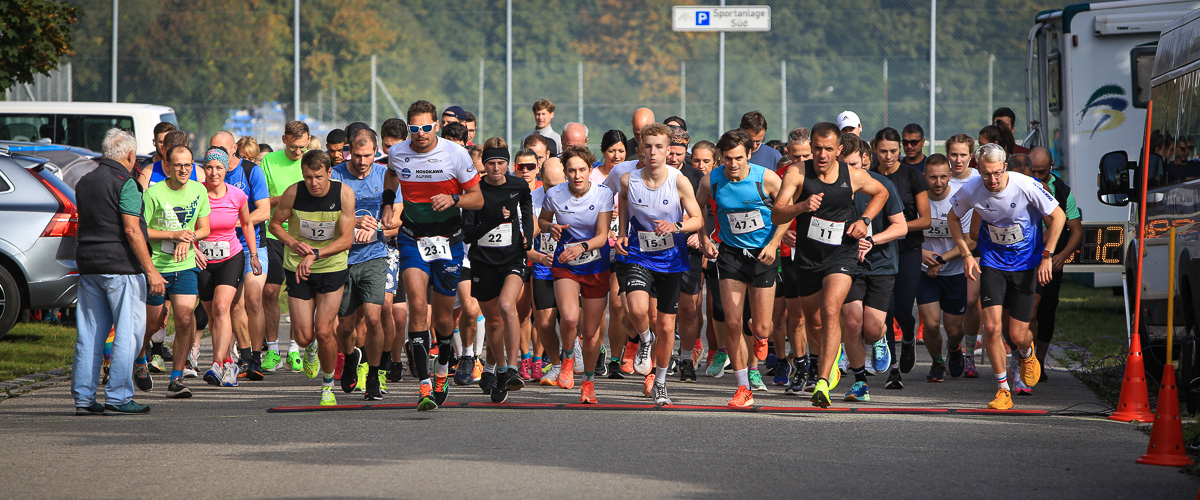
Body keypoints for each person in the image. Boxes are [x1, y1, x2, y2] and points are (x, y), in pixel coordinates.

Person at [773, 121, 888, 408]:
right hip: (809, 257)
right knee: (814, 322)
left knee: (831, 309)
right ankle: (830, 364)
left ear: (838, 149)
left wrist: (864, 220)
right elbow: (777, 214)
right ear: (810, 148)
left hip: (842, 254)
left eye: (827, 149)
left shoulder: (853, 174)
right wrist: (801, 207)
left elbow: (881, 192)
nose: (822, 155)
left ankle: (822, 382)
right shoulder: (797, 173)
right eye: (816, 149)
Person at [382, 100, 483, 411]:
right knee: (416, 305)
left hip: (448, 241)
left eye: (426, 128)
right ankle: (424, 385)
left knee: (441, 319)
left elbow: (477, 199)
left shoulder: (456, 154)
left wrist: (453, 199)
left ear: (436, 126)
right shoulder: (399, 152)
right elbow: (391, 175)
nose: (420, 134)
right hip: (412, 237)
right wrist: (387, 204)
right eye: (414, 129)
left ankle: (442, 371)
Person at [947, 143, 1065, 409]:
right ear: (978, 169)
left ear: (1005, 168)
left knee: (1018, 333)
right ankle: (1003, 390)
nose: (992, 180)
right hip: (992, 262)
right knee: (992, 327)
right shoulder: (972, 188)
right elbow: (953, 218)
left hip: (1025, 265)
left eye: (997, 173)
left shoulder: (1026, 185)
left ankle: (1027, 352)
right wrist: (966, 254)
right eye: (987, 174)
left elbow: (1058, 217)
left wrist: (1047, 255)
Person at [72, 128, 162, 415]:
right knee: (128, 333)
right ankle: (119, 397)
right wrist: (152, 271)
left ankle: (84, 399)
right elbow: (132, 230)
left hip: (89, 264)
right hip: (121, 267)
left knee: (89, 334)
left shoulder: (85, 181)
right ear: (130, 154)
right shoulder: (127, 183)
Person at [697, 129, 788, 407]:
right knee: (733, 321)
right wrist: (703, 237)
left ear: (749, 154)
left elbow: (787, 212)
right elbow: (696, 208)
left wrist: (773, 244)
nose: (733, 164)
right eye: (727, 159)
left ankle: (760, 339)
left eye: (738, 158)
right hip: (731, 255)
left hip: (762, 256)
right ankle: (742, 387)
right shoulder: (710, 181)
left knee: (761, 327)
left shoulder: (767, 179)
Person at [616, 124, 704, 405]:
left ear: (669, 150)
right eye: (648, 146)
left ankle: (662, 382)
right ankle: (644, 339)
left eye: (659, 147)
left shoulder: (678, 181)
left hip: (671, 260)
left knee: (667, 328)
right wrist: (620, 234)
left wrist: (676, 226)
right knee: (637, 309)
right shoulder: (628, 180)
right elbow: (624, 204)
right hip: (639, 254)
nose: (653, 152)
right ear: (641, 148)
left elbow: (698, 219)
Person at [269, 150, 356, 406]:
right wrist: (293, 243)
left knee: (325, 330)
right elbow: (275, 224)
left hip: (331, 266)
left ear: (330, 172)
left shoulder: (344, 194)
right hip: (298, 268)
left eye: (318, 177)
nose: (313, 183)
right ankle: (310, 349)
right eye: (308, 177)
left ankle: (328, 385)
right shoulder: (293, 193)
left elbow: (346, 240)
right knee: (305, 336)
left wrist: (316, 254)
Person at [540, 146, 615, 403]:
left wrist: (581, 247)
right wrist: (551, 227)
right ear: (565, 172)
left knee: (593, 333)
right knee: (570, 318)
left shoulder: (603, 194)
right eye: (571, 170)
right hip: (566, 265)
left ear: (590, 170)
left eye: (582, 170)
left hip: (595, 266)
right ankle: (569, 357)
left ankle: (589, 382)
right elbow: (542, 221)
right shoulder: (554, 194)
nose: (577, 175)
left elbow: (603, 236)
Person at [838, 135, 906, 402]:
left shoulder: (883, 185)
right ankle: (859, 382)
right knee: (852, 323)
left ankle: (879, 339)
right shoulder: (834, 186)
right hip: (846, 263)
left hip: (881, 264)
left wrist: (871, 239)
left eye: (854, 164)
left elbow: (900, 227)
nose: (849, 172)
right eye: (843, 165)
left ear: (865, 160)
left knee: (871, 327)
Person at [465, 145, 533, 403]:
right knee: (493, 322)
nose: (496, 168)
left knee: (507, 304)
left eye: (501, 163)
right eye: (491, 163)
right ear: (484, 165)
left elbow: (526, 203)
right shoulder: (475, 191)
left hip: (513, 258)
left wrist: (527, 232)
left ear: (507, 165)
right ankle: (501, 371)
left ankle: (514, 368)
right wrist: (495, 220)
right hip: (483, 261)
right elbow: (468, 233)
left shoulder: (517, 186)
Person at [142, 145, 211, 399]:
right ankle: (140, 359)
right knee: (152, 323)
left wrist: (188, 238)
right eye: (178, 165)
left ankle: (176, 378)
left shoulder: (199, 190)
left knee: (184, 320)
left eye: (188, 165)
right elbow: (142, 231)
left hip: (185, 267)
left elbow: (205, 228)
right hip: (157, 268)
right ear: (168, 166)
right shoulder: (153, 194)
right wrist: (173, 234)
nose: (184, 169)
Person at [330, 127, 392, 400]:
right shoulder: (336, 176)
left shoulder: (385, 175)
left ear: (376, 153)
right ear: (348, 152)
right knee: (346, 327)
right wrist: (352, 222)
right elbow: (323, 217)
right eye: (357, 155)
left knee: (374, 317)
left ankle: (374, 377)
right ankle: (350, 356)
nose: (362, 161)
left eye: (368, 155)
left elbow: (399, 218)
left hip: (374, 256)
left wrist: (377, 229)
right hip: (342, 258)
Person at [196, 146, 261, 387]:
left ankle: (215, 364)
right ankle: (227, 364)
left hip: (231, 257)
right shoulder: (196, 193)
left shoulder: (236, 195)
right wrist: (193, 249)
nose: (214, 173)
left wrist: (253, 255)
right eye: (210, 167)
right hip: (203, 260)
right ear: (204, 169)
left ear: (226, 170)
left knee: (223, 308)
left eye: (219, 168)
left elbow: (246, 224)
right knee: (214, 315)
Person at [872, 127, 931, 389]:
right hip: (879, 250)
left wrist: (899, 226)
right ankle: (892, 368)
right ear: (875, 149)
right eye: (883, 151)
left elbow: (926, 219)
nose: (888, 156)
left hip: (908, 249)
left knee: (904, 311)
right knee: (886, 309)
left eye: (893, 151)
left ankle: (909, 337)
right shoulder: (869, 175)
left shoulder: (912, 175)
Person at [209, 131, 270, 381]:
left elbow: (264, 210)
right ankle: (244, 356)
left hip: (251, 244)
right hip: (222, 247)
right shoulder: (209, 175)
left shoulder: (250, 171)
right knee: (232, 304)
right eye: (213, 149)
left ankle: (256, 357)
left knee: (253, 299)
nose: (217, 156)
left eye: (222, 150)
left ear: (234, 148)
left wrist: (234, 222)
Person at [1027, 147, 1083, 380]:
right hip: (1024, 258)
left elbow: (1076, 231)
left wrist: (1062, 256)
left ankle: (1039, 359)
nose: (1037, 177)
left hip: (1051, 260)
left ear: (1051, 168)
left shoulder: (1062, 191)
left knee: (1047, 311)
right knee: (1027, 311)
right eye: (1033, 171)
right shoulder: (1020, 183)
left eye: (1041, 172)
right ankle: (1026, 360)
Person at [260, 121, 312, 373]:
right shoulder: (269, 161)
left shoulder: (312, 161)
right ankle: (272, 350)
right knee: (270, 292)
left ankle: (294, 349)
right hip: (274, 232)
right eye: (293, 147)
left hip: (302, 235)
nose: (298, 152)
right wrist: (284, 199)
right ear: (284, 139)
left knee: (297, 293)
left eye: (302, 147)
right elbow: (261, 200)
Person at [917, 154, 972, 382]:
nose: (938, 182)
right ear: (924, 177)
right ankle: (937, 362)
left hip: (954, 271)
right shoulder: (918, 202)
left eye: (942, 177)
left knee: (954, 329)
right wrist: (923, 256)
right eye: (932, 178)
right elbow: (905, 235)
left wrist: (941, 260)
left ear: (950, 176)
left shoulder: (960, 202)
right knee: (930, 325)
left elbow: (970, 242)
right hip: (924, 271)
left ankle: (954, 348)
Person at [666, 126, 706, 384]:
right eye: (670, 152)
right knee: (659, 309)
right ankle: (663, 355)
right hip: (656, 249)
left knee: (690, 309)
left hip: (687, 249)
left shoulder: (697, 177)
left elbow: (708, 212)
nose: (673, 158)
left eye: (679, 154)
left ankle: (686, 359)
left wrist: (700, 235)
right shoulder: (650, 173)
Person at [945, 133, 983, 377]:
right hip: (942, 250)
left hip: (972, 248)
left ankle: (969, 355)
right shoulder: (938, 178)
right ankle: (953, 346)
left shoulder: (980, 180)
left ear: (972, 156)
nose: (958, 160)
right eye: (953, 155)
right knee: (949, 317)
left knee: (971, 302)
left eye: (963, 155)